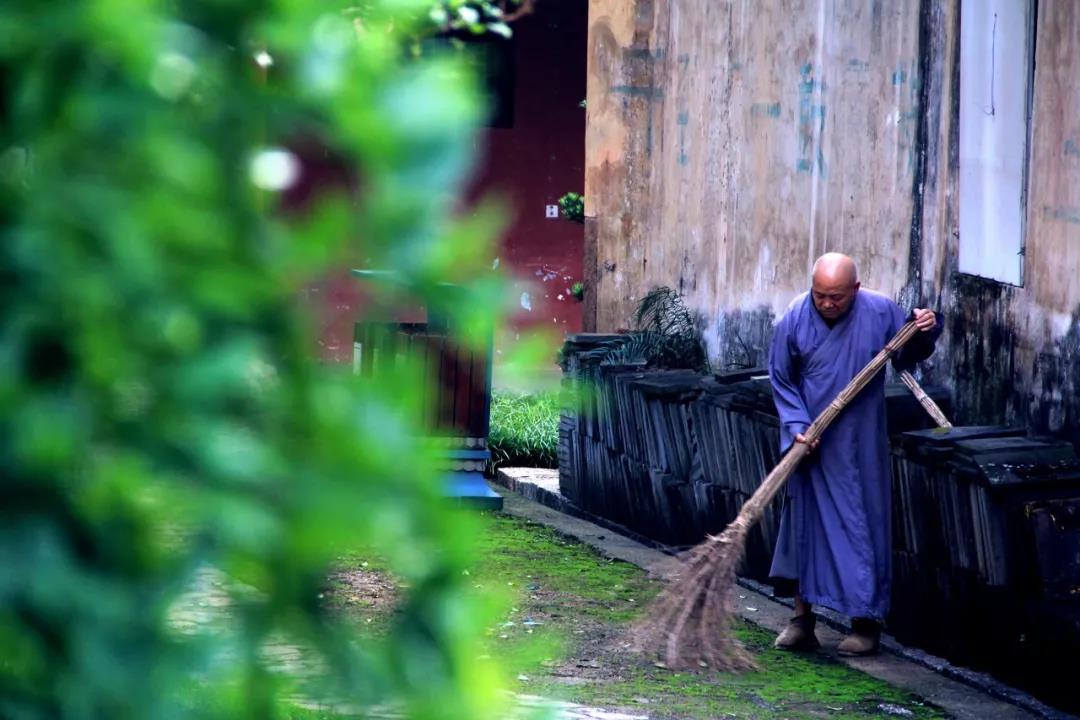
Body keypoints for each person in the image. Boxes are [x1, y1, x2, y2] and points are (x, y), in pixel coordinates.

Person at [767, 252, 941, 656]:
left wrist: (925, 328)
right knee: (804, 524)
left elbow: (908, 352)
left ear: (855, 290)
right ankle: (801, 619)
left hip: (859, 439)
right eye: (820, 295)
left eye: (837, 297)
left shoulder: (879, 311)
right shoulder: (795, 316)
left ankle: (865, 623)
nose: (827, 304)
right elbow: (781, 377)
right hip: (811, 439)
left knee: (862, 524)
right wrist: (797, 427)